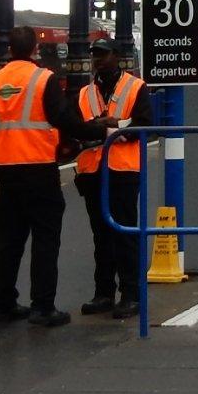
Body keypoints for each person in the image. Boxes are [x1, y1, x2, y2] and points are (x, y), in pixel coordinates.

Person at [0, 24, 95, 328]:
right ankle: (42, 307)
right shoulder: (42, 80)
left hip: (6, 173)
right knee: (45, 239)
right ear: (35, 50)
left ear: (9, 50)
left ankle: (2, 304)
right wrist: (100, 129)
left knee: (8, 242)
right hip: (39, 170)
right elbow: (65, 119)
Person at [74, 40, 151, 319]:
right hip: (93, 171)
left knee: (125, 234)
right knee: (101, 236)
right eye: (95, 56)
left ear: (117, 56)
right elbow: (76, 128)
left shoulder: (135, 87)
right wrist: (94, 129)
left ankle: (131, 294)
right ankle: (103, 293)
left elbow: (146, 125)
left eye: (103, 55)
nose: (98, 60)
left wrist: (113, 127)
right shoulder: (84, 93)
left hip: (123, 170)